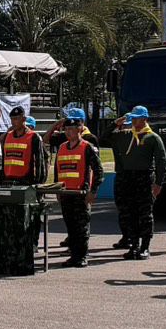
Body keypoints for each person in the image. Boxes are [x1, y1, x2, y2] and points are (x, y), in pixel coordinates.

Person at [111, 105, 165, 260]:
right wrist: (115, 123)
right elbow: (104, 138)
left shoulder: (152, 137)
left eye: (137, 118)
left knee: (145, 214)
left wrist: (158, 183)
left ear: (145, 119)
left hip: (145, 177)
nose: (134, 121)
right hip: (128, 177)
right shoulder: (126, 135)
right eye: (133, 118)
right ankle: (133, 246)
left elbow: (161, 161)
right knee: (131, 213)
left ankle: (145, 247)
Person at [53, 109, 104, 268]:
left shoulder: (87, 147)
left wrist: (93, 191)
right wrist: (57, 190)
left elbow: (98, 170)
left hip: (81, 194)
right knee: (70, 226)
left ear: (79, 130)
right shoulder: (62, 147)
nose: (69, 132)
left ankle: (81, 256)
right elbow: (57, 170)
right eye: (66, 129)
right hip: (66, 193)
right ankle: (74, 256)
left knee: (81, 227)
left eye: (72, 129)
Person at [0, 106, 47, 187]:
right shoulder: (7, 136)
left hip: (26, 182)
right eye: (12, 119)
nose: (13, 122)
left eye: (16, 119)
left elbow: (40, 162)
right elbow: (3, 159)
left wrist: (38, 184)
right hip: (8, 182)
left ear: (24, 119)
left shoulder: (33, 137)